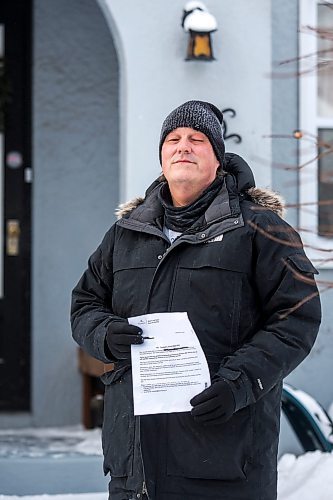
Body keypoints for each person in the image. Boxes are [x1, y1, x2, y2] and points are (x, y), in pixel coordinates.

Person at [71, 100, 321, 500]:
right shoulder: (126, 233)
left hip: (223, 455)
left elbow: (296, 318)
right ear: (162, 156)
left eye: (197, 139)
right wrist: (105, 334)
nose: (183, 146)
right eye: (173, 139)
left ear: (218, 160)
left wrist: (240, 382)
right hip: (135, 464)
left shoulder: (259, 228)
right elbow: (85, 303)